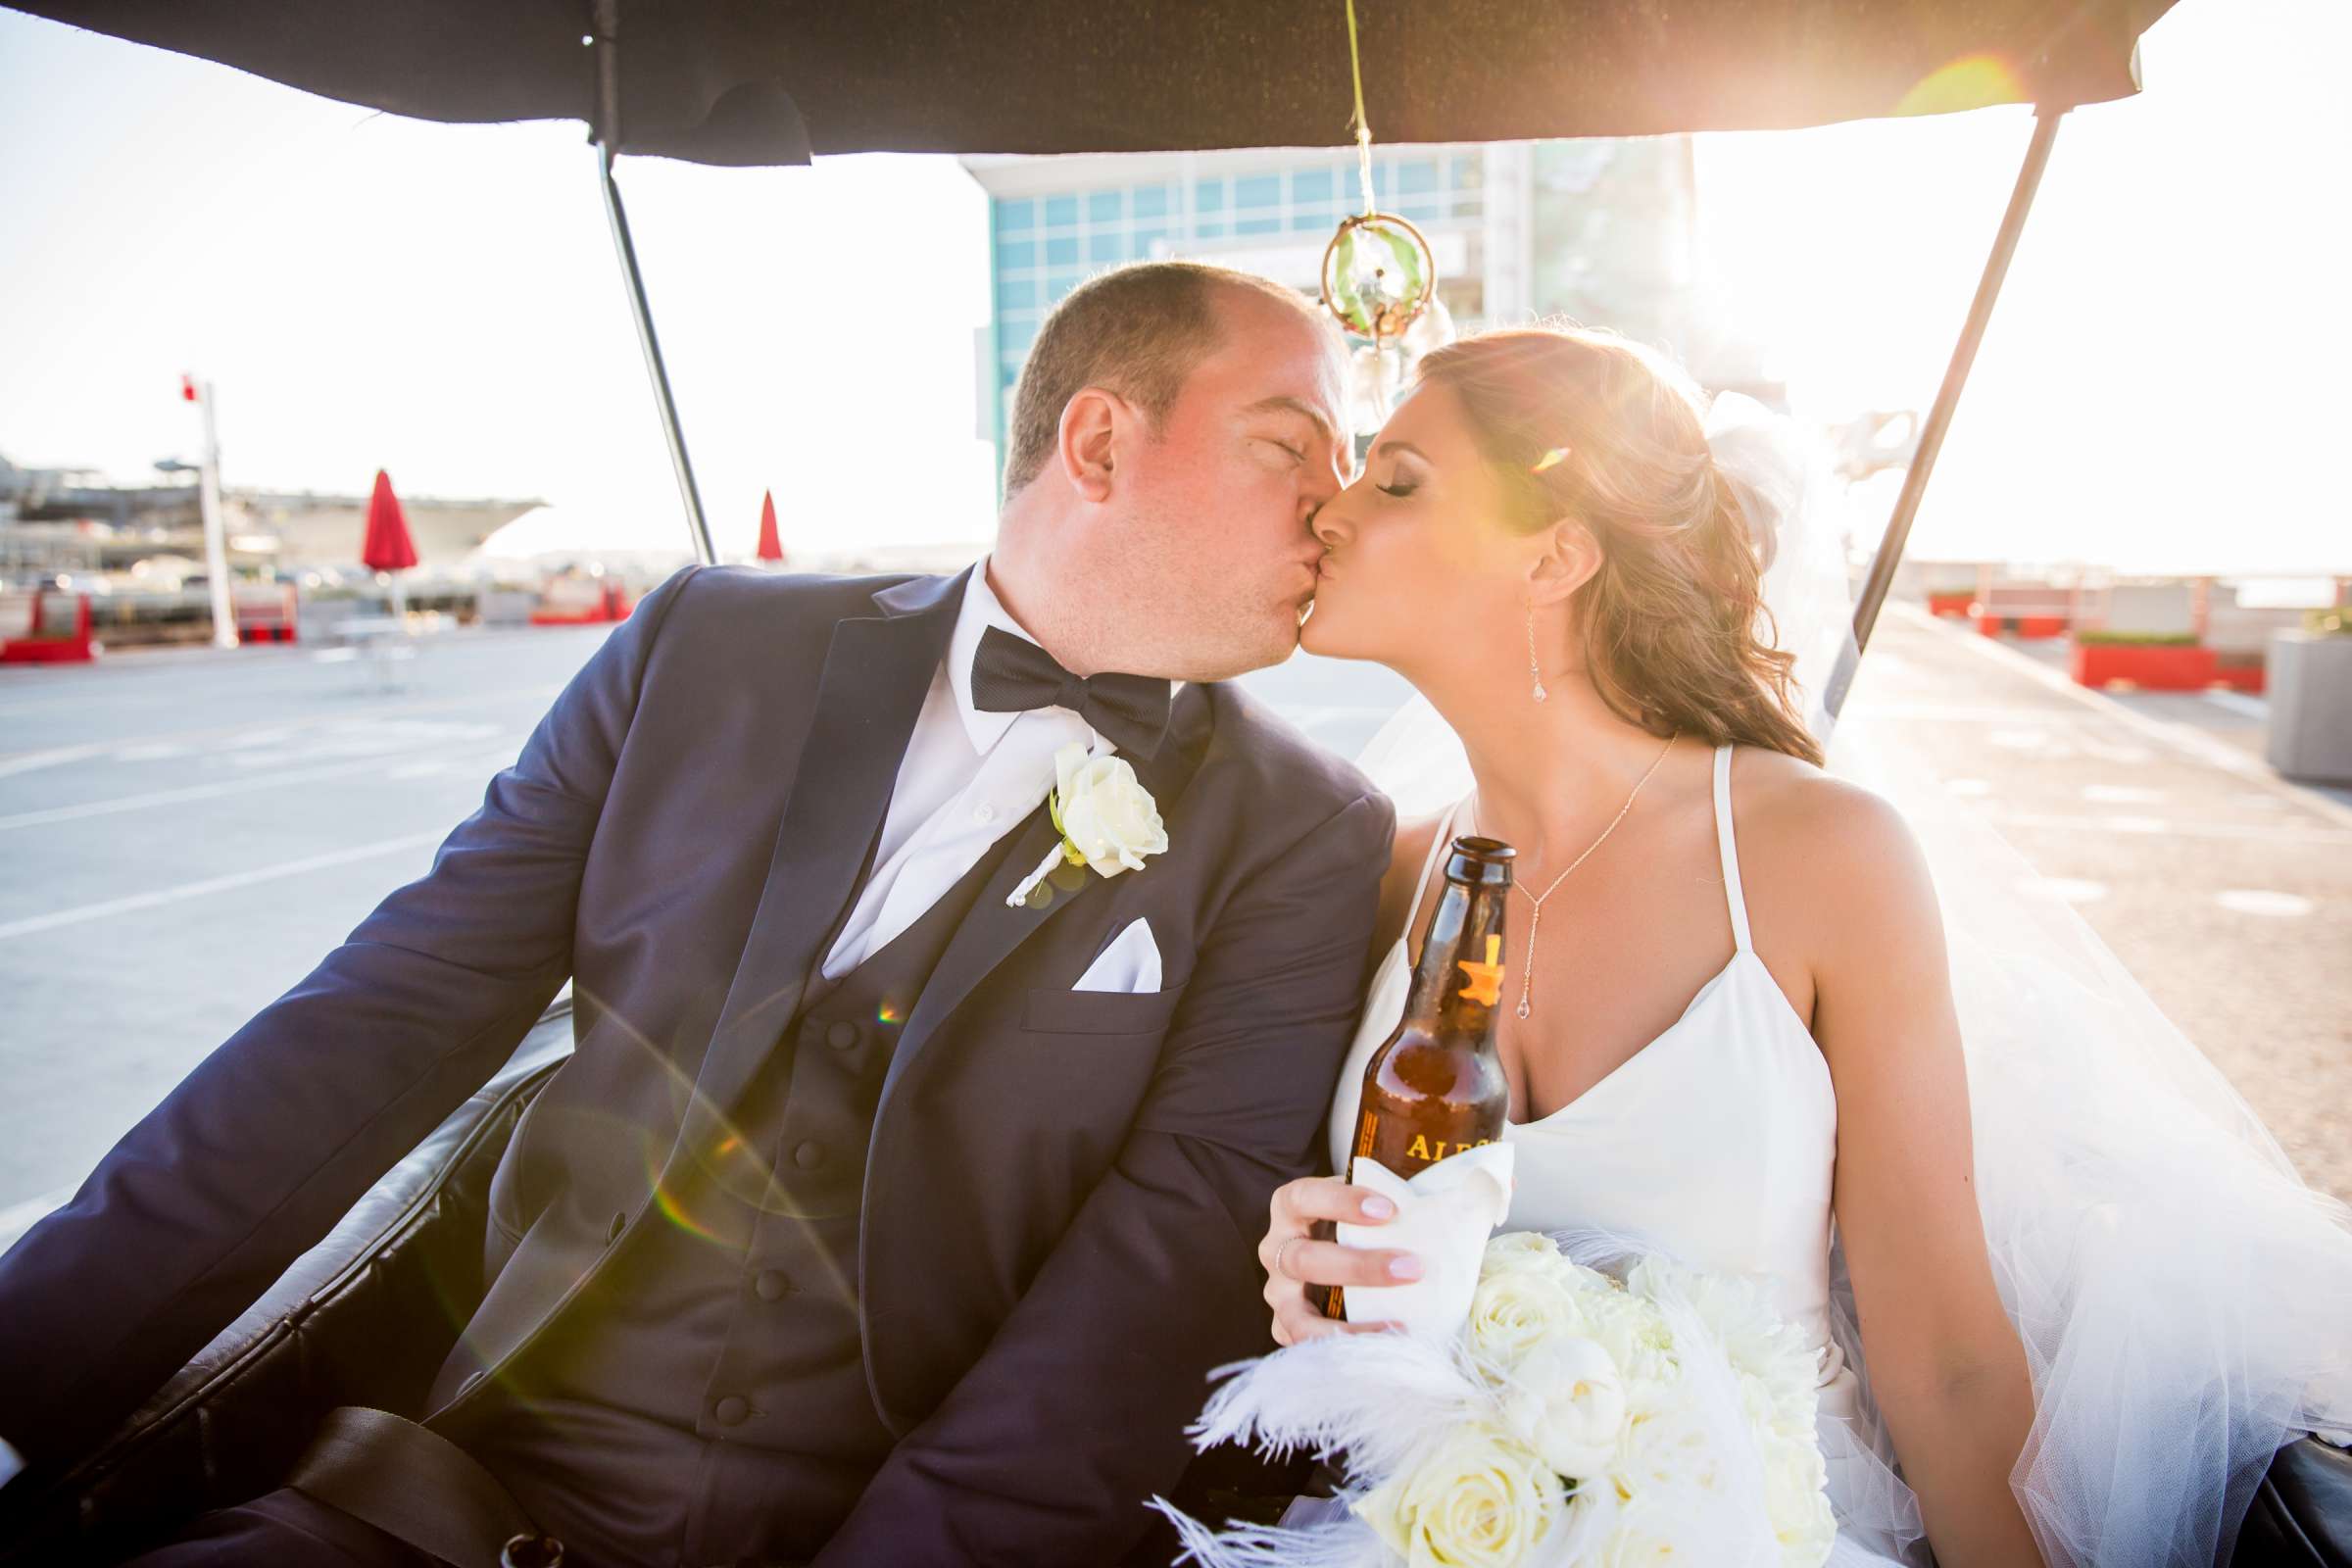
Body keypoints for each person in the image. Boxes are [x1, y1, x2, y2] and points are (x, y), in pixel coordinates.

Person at [0, 260, 1393, 1568]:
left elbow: (1147, 1284)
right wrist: (20, 1374)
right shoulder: (704, 651)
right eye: (1291, 446)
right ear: (1097, 445)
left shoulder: (1301, 831)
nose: (1333, 506)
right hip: (457, 1489)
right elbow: (380, 1017)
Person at [1251, 324, 2352, 1567]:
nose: (1330, 510)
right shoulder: (1386, 876)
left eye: (1396, 478)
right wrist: (1307, 1282)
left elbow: (1946, 1365)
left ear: (1556, 555)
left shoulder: (1819, 859)